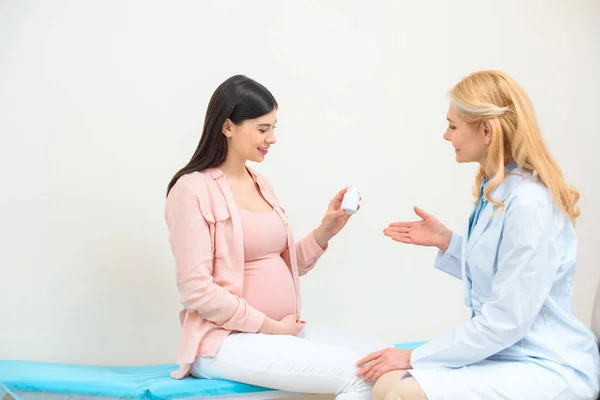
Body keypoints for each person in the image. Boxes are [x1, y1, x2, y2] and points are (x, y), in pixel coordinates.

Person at [357, 70, 600, 400]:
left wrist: (413, 355)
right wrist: (448, 241)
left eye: (453, 126)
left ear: (486, 130)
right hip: (509, 353)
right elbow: (503, 275)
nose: (446, 135)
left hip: (546, 362)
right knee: (384, 383)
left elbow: (506, 320)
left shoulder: (528, 203)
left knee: (403, 392)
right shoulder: (499, 189)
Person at [165, 74, 388, 399]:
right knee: (363, 376)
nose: (271, 138)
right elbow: (197, 291)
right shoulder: (191, 190)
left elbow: (281, 264)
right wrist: (272, 328)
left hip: (278, 332)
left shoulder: (261, 183)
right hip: (224, 341)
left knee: (387, 357)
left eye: (274, 127)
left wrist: (326, 230)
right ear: (228, 127)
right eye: (262, 128)